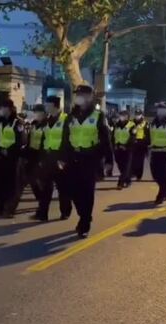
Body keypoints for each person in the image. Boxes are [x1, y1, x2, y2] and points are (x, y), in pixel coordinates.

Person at [61, 85, 113, 238]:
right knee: (73, 192)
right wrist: (62, 158)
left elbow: (105, 140)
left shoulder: (98, 116)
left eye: (82, 94)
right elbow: (65, 139)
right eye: (77, 94)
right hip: (73, 159)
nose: (79, 97)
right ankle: (84, 215)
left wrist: (109, 160)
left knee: (87, 192)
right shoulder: (70, 117)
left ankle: (84, 222)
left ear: (90, 97)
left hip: (90, 159)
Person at [35, 95, 72, 221]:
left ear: (54, 106)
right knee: (45, 187)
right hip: (47, 157)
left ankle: (65, 211)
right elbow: (43, 139)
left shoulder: (66, 119)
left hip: (60, 158)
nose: (45, 107)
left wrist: (64, 159)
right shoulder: (46, 120)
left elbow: (68, 141)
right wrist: (40, 157)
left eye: (47, 105)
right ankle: (42, 213)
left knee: (63, 187)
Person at [0, 99, 26, 218]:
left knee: (13, 185)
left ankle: (10, 209)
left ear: (9, 109)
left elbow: (21, 141)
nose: (0, 110)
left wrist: (9, 151)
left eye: (3, 108)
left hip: (13, 158)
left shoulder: (18, 123)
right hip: (1, 157)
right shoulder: (0, 122)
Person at [148, 102, 166, 205]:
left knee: (163, 176)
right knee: (155, 175)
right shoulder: (153, 123)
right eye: (159, 109)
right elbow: (150, 136)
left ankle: (161, 195)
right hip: (154, 152)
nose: (160, 111)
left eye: (162, 109)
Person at [26, 104, 47, 205]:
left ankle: (42, 201)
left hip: (42, 154)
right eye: (35, 112)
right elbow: (30, 138)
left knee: (42, 180)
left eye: (37, 112)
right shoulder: (33, 124)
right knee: (31, 178)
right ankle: (39, 197)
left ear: (43, 113)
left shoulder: (47, 124)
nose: (35, 114)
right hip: (32, 153)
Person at [113, 110, 136, 190]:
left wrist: (125, 146)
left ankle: (120, 182)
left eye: (123, 115)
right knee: (121, 167)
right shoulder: (117, 125)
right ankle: (128, 180)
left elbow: (132, 138)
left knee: (126, 167)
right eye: (121, 115)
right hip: (117, 149)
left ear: (127, 116)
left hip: (127, 149)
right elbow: (113, 136)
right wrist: (115, 146)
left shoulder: (131, 125)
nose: (121, 117)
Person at [131, 109, 148, 180]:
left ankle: (139, 175)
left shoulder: (145, 123)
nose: (137, 115)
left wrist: (147, 144)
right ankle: (133, 173)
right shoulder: (131, 122)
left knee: (140, 160)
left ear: (141, 115)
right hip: (133, 142)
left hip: (141, 143)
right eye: (136, 114)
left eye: (138, 114)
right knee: (133, 159)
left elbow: (147, 134)